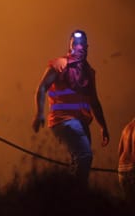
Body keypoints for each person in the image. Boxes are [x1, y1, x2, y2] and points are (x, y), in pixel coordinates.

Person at [32, 30, 110, 186]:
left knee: (81, 160)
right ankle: (75, 197)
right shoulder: (60, 64)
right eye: (76, 44)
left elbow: (94, 101)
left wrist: (103, 127)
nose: (79, 47)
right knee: (84, 156)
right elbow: (42, 88)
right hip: (64, 120)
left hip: (81, 122)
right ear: (70, 46)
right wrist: (39, 113)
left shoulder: (88, 72)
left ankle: (70, 197)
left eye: (83, 44)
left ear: (87, 47)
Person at [118, 118, 135, 202]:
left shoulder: (126, 128)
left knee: (129, 202)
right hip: (133, 166)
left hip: (122, 169)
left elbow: (120, 150)